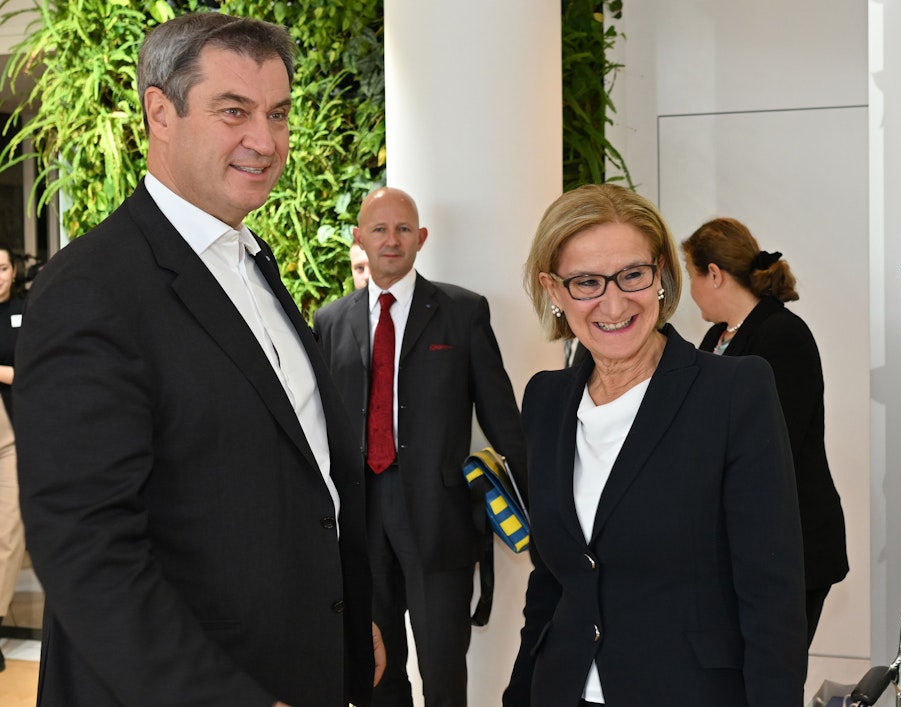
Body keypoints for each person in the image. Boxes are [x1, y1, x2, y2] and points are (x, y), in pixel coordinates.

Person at [13, 13, 383, 707]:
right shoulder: (93, 288)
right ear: (161, 112)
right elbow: (87, 552)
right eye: (234, 111)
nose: (265, 141)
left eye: (278, 114)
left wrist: (343, 618)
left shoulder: (249, 262)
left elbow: (286, 478)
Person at [503, 184, 807, 706]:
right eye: (586, 282)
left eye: (632, 275)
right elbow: (553, 578)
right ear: (553, 290)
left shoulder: (734, 392)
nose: (614, 302)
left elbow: (771, 598)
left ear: (660, 274)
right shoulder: (545, 399)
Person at [314, 186, 528, 707]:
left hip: (438, 517)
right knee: (377, 669)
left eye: (403, 229)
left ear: (421, 238)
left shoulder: (463, 312)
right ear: (359, 238)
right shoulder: (330, 321)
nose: (392, 240)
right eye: (379, 229)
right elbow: (318, 425)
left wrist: (543, 497)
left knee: (442, 670)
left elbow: (501, 417)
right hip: (360, 520)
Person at [681, 216, 848, 646]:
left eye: (691, 275)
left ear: (714, 274)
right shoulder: (716, 337)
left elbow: (773, 442)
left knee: (772, 670)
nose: (690, 289)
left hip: (791, 542)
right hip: (741, 543)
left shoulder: (783, 334)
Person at [0, 244, 24, 673]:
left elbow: (36, 369)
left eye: (1, 268)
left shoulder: (27, 311)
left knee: (9, 532)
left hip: (11, 432)